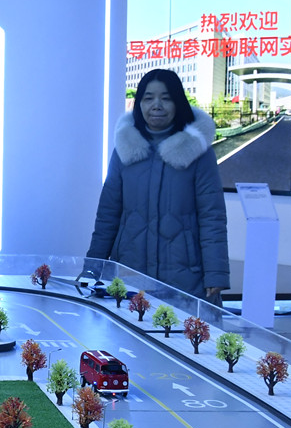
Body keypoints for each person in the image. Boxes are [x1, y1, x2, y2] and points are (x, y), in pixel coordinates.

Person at [86, 67, 229, 301]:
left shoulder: (198, 152)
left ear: (178, 102)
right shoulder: (124, 149)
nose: (157, 105)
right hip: (130, 273)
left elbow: (212, 217)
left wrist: (216, 274)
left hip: (185, 279)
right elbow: (107, 216)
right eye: (148, 98)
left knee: (182, 327)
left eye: (166, 98)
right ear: (139, 104)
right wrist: (93, 268)